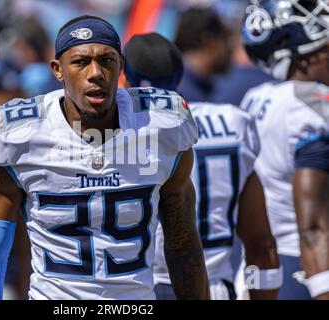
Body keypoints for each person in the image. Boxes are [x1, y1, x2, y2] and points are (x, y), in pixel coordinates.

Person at [0, 15, 210, 300]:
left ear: (120, 64)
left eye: (106, 60)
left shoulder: (162, 125)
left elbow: (183, 245)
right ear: (58, 70)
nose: (96, 72)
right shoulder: (18, 135)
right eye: (81, 62)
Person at [123, 32, 281, 300]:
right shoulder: (233, 122)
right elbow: (261, 249)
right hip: (217, 287)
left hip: (143, 289)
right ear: (180, 76)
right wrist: (255, 291)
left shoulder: (119, 134)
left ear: (125, 78)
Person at [240, 0, 329, 300]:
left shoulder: (255, 98)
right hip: (311, 267)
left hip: (263, 264)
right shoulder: (312, 105)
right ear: (302, 53)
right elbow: (313, 226)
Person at [174, 7, 234, 103]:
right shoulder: (181, 95)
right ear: (210, 41)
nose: (231, 48)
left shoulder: (179, 82)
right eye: (225, 39)